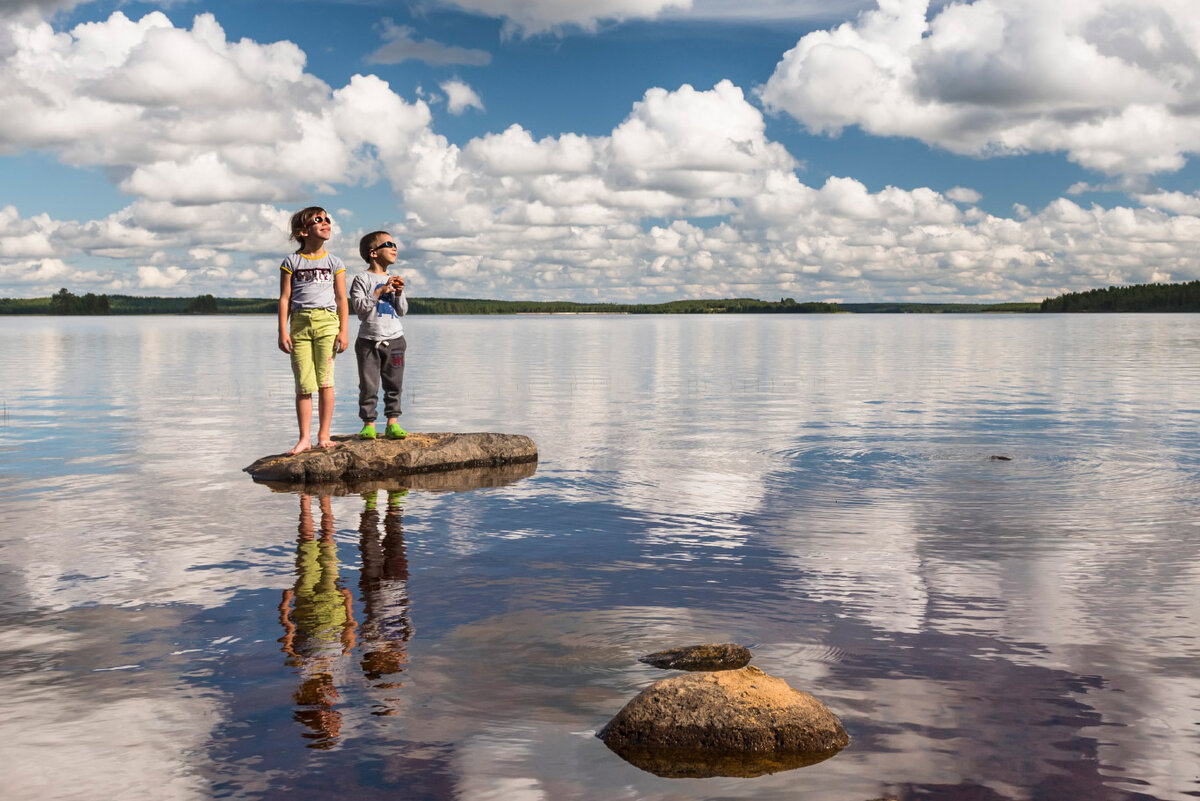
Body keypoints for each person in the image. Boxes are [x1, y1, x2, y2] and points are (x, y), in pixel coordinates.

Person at [278, 207, 349, 454]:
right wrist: (282, 331)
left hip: (327, 323)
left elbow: (342, 299)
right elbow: (285, 298)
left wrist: (344, 331)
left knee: (325, 381)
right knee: (304, 384)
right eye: (318, 219)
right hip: (299, 324)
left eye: (328, 219)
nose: (326, 222)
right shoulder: (291, 262)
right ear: (303, 231)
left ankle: (324, 435)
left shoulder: (335, 262)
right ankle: (304, 438)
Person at [349, 231, 408, 440]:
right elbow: (360, 310)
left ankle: (393, 422)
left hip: (395, 339)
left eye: (395, 244)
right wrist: (379, 292)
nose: (395, 248)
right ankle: (369, 424)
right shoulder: (362, 278)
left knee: (394, 383)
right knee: (368, 385)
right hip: (368, 341)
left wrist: (398, 292)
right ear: (373, 253)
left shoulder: (394, 279)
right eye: (389, 244)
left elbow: (402, 311)